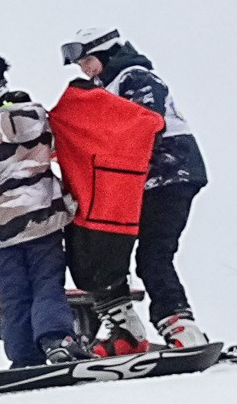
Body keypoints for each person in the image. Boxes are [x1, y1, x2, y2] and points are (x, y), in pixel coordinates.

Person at [64, 28, 209, 349]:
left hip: (169, 176)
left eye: (88, 61)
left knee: (153, 255)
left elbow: (144, 121)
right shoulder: (108, 87)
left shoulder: (135, 76)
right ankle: (123, 329)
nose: (84, 69)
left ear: (106, 53)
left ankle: (181, 326)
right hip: (135, 183)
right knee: (104, 253)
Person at [0, 55, 85, 365]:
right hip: (43, 223)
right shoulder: (41, 122)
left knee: (15, 298)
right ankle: (58, 340)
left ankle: (24, 357)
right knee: (47, 284)